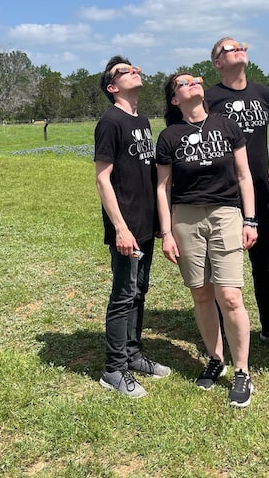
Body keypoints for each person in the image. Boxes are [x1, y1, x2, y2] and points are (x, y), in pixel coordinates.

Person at [156, 72, 257, 408]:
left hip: (226, 214)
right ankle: (216, 359)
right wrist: (167, 231)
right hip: (185, 218)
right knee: (201, 293)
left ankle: (241, 370)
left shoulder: (227, 127)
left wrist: (250, 219)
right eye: (183, 83)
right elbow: (163, 188)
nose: (193, 83)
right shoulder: (169, 136)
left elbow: (244, 176)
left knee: (229, 296)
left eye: (196, 80)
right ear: (174, 99)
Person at [205, 37, 269, 352]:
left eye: (242, 45)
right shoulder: (209, 98)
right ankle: (220, 330)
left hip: (260, 191)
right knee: (223, 268)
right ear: (218, 62)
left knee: (263, 263)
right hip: (225, 196)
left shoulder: (263, 93)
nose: (240, 49)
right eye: (231, 48)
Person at [94, 56, 171, 398]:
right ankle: (113, 369)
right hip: (125, 227)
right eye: (124, 71)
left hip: (144, 223)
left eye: (134, 67)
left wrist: (154, 220)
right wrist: (121, 228)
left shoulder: (142, 120)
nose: (134, 71)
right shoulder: (111, 121)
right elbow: (102, 178)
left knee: (140, 291)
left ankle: (133, 354)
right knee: (124, 294)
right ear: (113, 87)